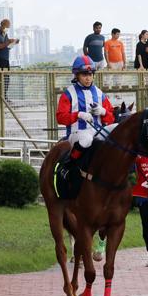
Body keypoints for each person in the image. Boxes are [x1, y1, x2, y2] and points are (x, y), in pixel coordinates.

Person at [56, 55, 115, 262]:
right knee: (86, 140)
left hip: (98, 131)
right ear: (76, 75)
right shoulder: (68, 94)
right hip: (77, 133)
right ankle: (70, 166)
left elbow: (111, 118)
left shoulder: (100, 94)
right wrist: (78, 115)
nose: (88, 78)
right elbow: (60, 116)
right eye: (84, 74)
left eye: (90, 74)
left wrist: (104, 111)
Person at [0, 19, 18, 93]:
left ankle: (4, 96)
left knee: (6, 79)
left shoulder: (5, 34)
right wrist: (8, 42)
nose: (7, 28)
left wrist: (13, 42)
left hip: (5, 59)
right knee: (0, 79)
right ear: (2, 25)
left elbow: (7, 45)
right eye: (7, 26)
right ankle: (0, 96)